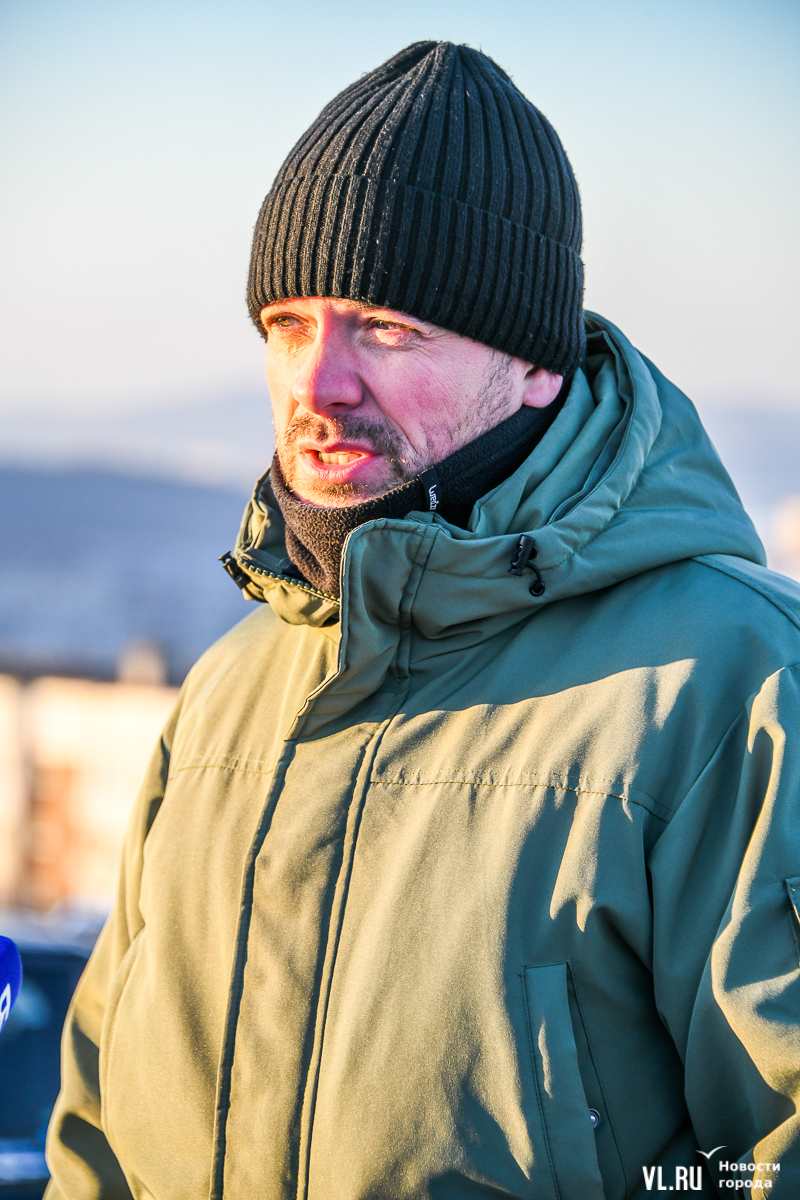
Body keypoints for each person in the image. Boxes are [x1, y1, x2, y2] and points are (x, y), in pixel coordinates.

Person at [45, 41, 800, 1200]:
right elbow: (96, 1141)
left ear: (536, 363)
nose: (318, 384)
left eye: (386, 326)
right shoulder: (226, 696)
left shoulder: (731, 686)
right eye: (287, 324)